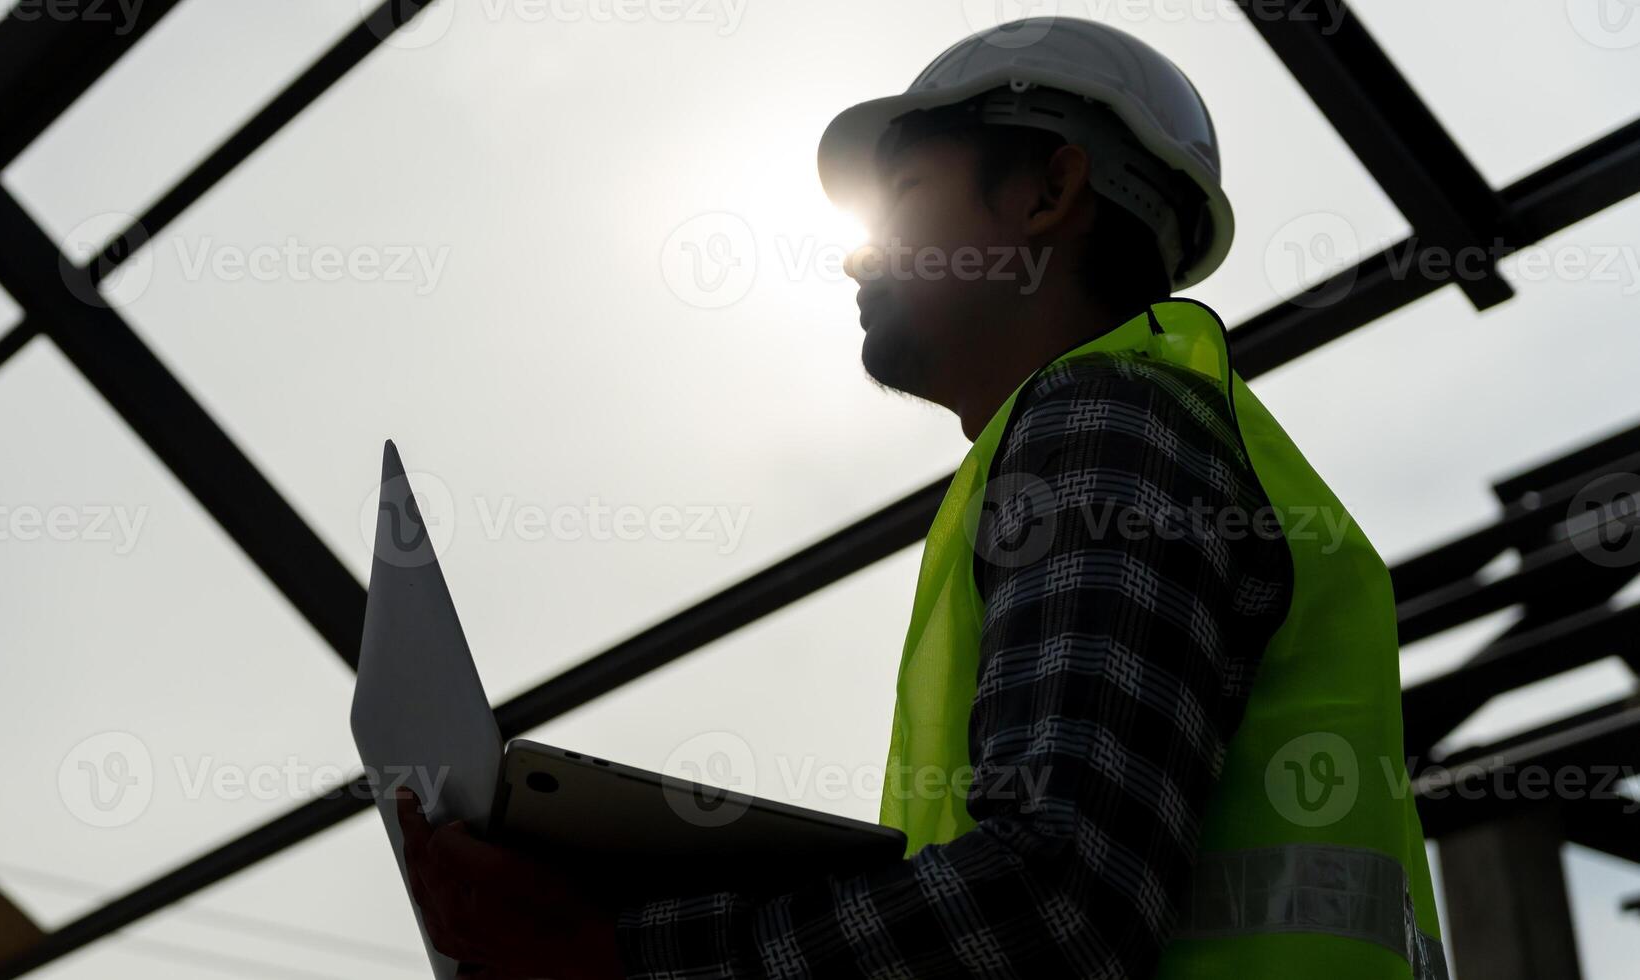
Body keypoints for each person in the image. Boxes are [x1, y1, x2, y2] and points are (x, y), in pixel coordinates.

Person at [397, 16, 1445, 980]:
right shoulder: (1134, 425)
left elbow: (1056, 902)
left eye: (897, 198)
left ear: (1047, 191)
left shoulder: (1100, 423)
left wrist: (618, 952)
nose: (858, 251)